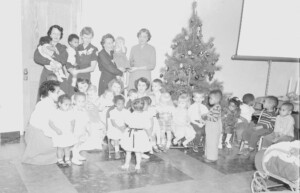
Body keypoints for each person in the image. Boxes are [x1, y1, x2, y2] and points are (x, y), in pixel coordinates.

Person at [22, 80, 61, 165]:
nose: (59, 94)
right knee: (62, 143)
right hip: (38, 135)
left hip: (34, 133)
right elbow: (45, 126)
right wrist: (55, 134)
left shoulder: (45, 102)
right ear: (50, 92)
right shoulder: (45, 105)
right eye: (57, 92)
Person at [34, 25, 72, 95]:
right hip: (47, 74)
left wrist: (58, 64)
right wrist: (49, 62)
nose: (56, 36)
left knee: (62, 96)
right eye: (54, 33)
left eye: (58, 34)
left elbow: (63, 60)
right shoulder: (42, 45)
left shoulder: (62, 48)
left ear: (60, 36)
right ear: (50, 34)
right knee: (45, 95)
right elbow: (36, 57)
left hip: (59, 73)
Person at [120, 98, 152, 172]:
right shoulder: (145, 116)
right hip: (140, 134)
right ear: (143, 107)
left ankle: (126, 164)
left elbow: (127, 122)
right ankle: (138, 165)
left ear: (132, 107)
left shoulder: (130, 115)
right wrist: (150, 136)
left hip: (130, 134)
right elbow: (147, 127)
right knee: (138, 152)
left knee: (128, 151)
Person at [49, 94, 76, 167]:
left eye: (70, 104)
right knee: (60, 148)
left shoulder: (70, 112)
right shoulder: (55, 112)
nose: (68, 106)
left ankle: (67, 159)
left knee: (67, 147)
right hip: (59, 133)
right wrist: (56, 129)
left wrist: (72, 128)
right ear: (60, 104)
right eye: (66, 104)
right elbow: (50, 123)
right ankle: (60, 160)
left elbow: (73, 120)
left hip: (67, 132)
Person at [201, 89, 223, 163]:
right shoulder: (215, 107)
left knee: (212, 143)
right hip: (210, 129)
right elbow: (211, 115)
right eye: (209, 98)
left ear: (217, 100)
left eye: (211, 98)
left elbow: (214, 119)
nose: (209, 99)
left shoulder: (217, 107)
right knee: (208, 141)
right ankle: (207, 154)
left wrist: (206, 116)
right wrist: (206, 115)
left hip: (214, 129)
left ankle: (212, 157)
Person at [108, 95, 129, 159]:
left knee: (128, 134)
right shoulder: (112, 112)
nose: (121, 105)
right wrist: (119, 128)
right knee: (116, 135)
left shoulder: (126, 111)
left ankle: (127, 149)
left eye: (123, 104)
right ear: (115, 104)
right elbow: (113, 123)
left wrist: (125, 126)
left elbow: (128, 121)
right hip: (115, 127)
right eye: (119, 104)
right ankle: (117, 151)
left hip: (124, 127)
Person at [71, 92, 89, 165]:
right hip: (76, 130)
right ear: (75, 101)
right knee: (75, 143)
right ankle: (74, 158)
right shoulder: (73, 110)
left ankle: (77, 154)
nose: (81, 103)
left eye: (83, 101)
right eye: (79, 101)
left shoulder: (84, 110)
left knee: (80, 143)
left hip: (82, 129)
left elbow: (86, 119)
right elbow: (72, 121)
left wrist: (87, 128)